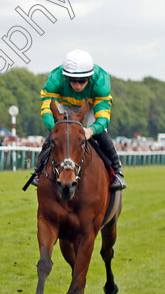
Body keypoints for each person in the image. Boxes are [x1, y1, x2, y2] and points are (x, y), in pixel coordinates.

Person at [33, 49, 125, 190]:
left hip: (89, 106)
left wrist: (91, 130)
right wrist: (55, 128)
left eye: (82, 81)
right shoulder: (55, 79)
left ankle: (117, 172)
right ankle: (38, 172)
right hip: (64, 104)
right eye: (72, 80)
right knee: (55, 135)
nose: (77, 86)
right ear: (65, 77)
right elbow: (47, 111)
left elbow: (103, 117)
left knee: (101, 134)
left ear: (90, 77)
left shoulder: (101, 82)